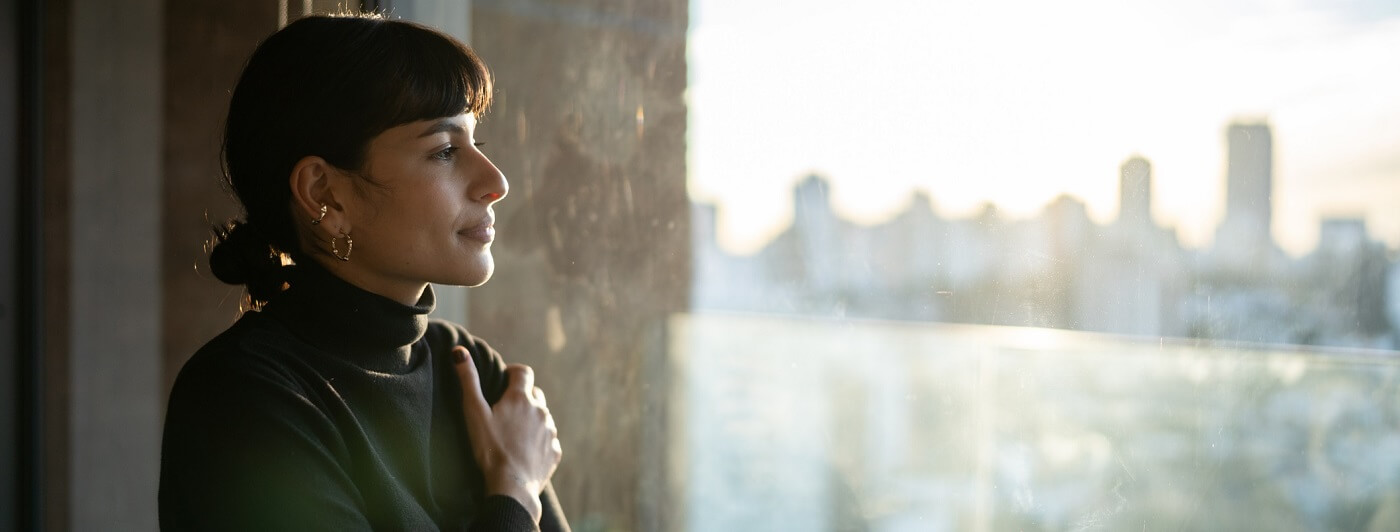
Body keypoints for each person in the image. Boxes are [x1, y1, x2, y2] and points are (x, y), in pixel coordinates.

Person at [158, 13, 569, 531]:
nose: (496, 182)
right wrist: (514, 490)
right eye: (444, 151)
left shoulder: (468, 370)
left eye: (475, 145)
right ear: (324, 193)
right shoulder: (241, 400)